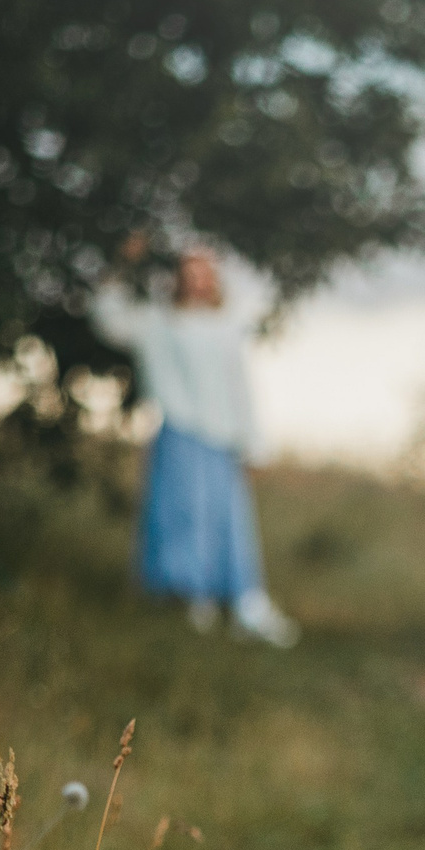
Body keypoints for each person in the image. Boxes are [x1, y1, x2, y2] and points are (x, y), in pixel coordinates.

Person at [89, 248, 299, 646]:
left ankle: (241, 602)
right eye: (191, 273)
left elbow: (240, 389)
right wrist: (119, 266)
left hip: (221, 438)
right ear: (178, 279)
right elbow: (108, 320)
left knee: (226, 520)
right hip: (179, 433)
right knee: (182, 517)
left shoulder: (226, 327)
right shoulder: (158, 321)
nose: (198, 282)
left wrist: (254, 444)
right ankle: (192, 601)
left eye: (206, 274)